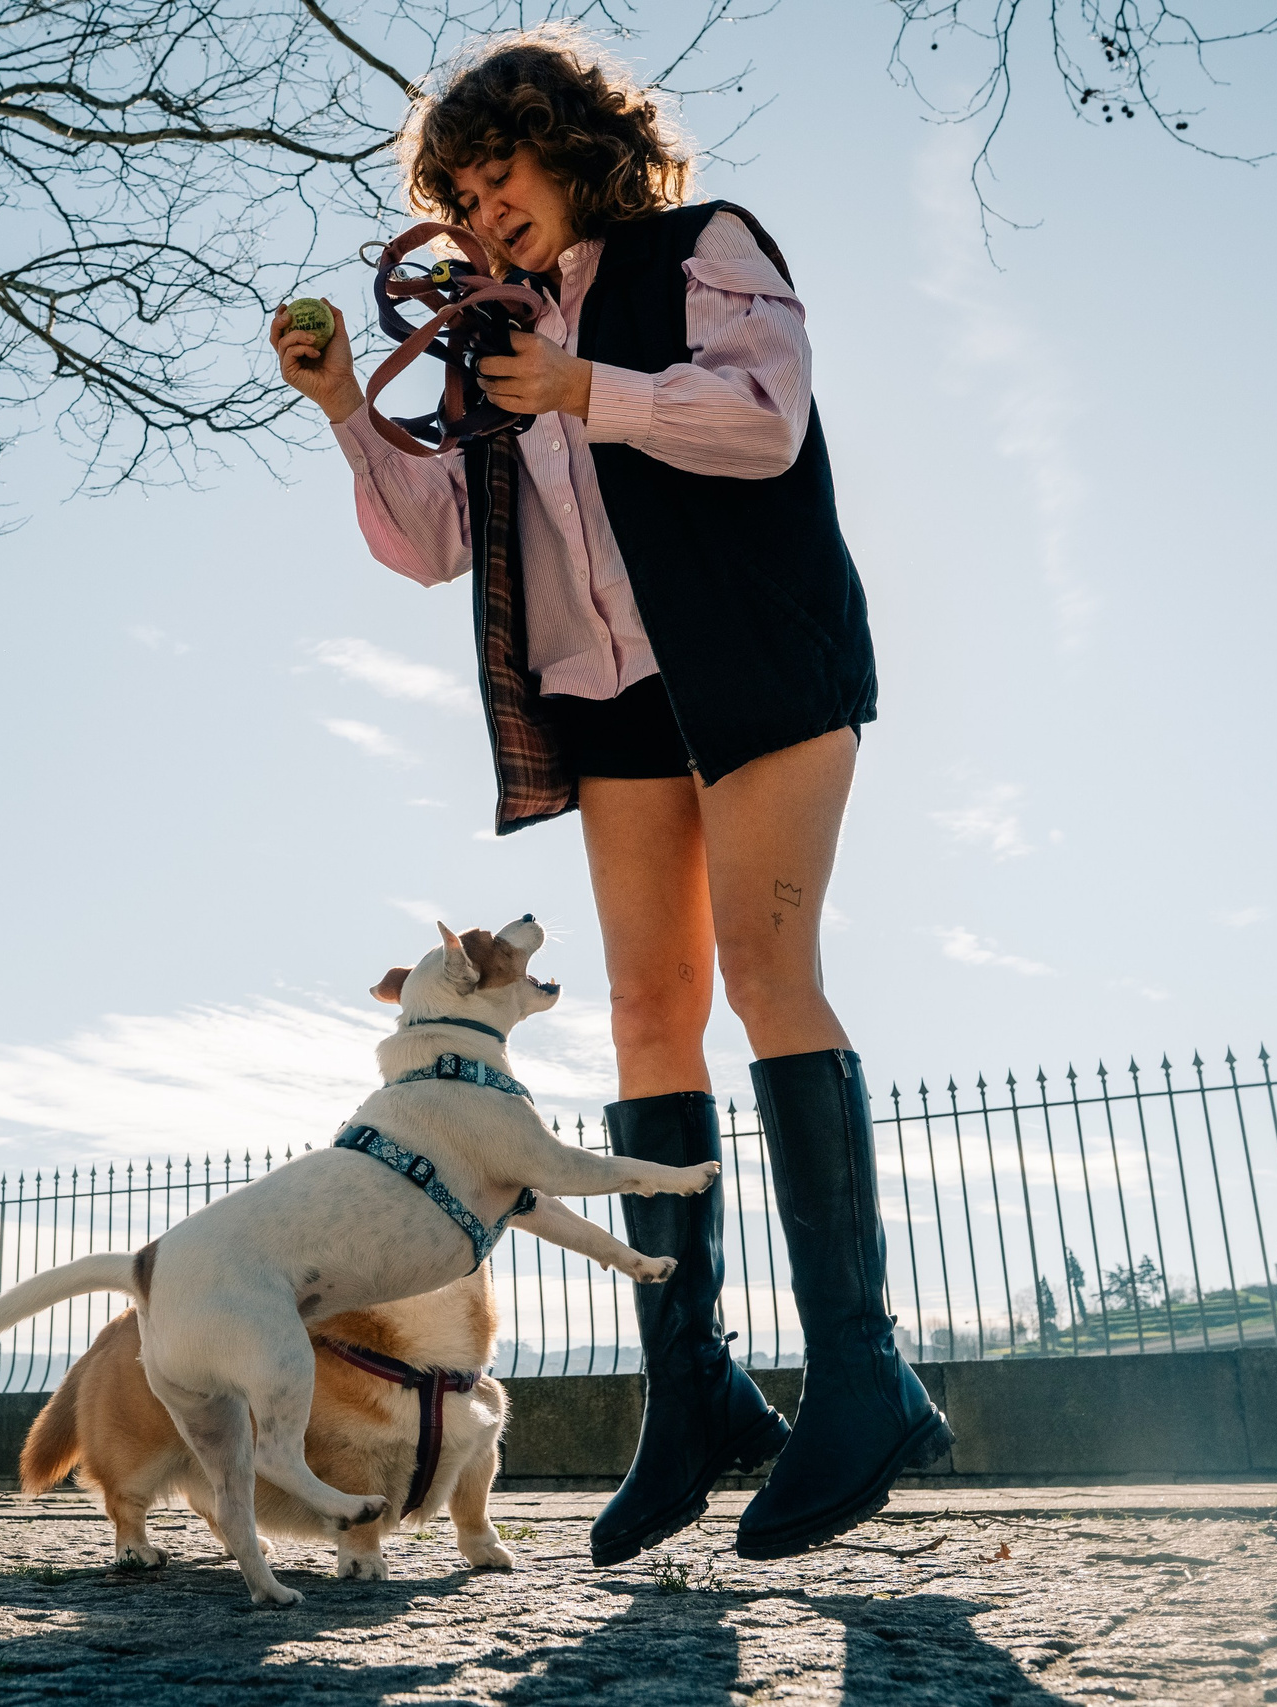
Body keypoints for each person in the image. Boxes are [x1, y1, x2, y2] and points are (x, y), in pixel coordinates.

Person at [268, 28, 952, 1563]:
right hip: (612, 696)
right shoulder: (477, 332)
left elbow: (762, 422)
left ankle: (862, 1369)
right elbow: (438, 536)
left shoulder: (709, 248)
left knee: (773, 974)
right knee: (650, 1015)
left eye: (491, 172)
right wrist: (344, 411)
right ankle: (693, 1385)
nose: (476, 210)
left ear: (566, 142)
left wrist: (587, 384)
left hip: (760, 659)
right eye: (451, 194)